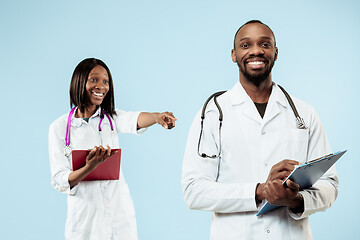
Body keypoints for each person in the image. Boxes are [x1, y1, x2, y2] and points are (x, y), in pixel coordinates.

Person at [182, 20, 338, 240]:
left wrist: (296, 200)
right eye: (246, 45)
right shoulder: (212, 115)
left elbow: (329, 184)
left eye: (265, 44)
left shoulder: (304, 113)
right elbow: (193, 191)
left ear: (275, 52)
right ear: (233, 55)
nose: (256, 51)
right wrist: (260, 190)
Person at [49, 58, 177, 240]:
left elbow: (133, 119)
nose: (101, 86)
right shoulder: (60, 127)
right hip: (85, 219)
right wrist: (89, 167)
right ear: (79, 81)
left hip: (119, 215)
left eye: (105, 81)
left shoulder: (111, 118)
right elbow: (59, 180)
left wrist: (157, 117)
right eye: (94, 80)